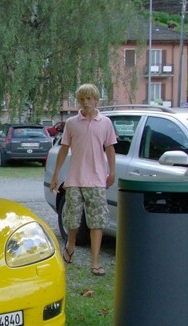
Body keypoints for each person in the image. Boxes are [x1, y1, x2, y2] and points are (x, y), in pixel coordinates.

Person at [50, 83, 116, 276]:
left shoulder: (105, 123)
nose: (85, 103)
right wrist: (56, 175)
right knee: (72, 219)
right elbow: (64, 149)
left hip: (96, 179)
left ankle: (95, 263)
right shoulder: (71, 123)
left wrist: (112, 172)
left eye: (89, 99)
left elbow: (110, 148)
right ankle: (70, 244)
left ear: (96, 100)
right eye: (82, 100)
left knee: (97, 222)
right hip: (74, 179)